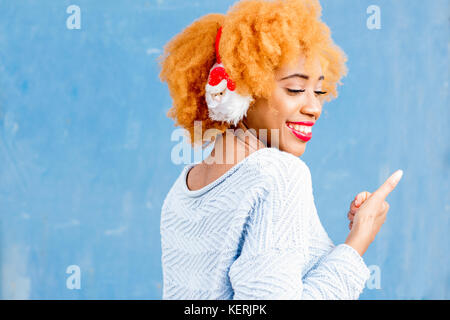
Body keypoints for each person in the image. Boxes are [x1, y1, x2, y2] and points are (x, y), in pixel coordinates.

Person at [157, 0, 403, 299]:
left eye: (319, 90)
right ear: (244, 89)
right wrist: (360, 238)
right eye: (295, 89)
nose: (314, 108)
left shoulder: (181, 191)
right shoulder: (278, 174)